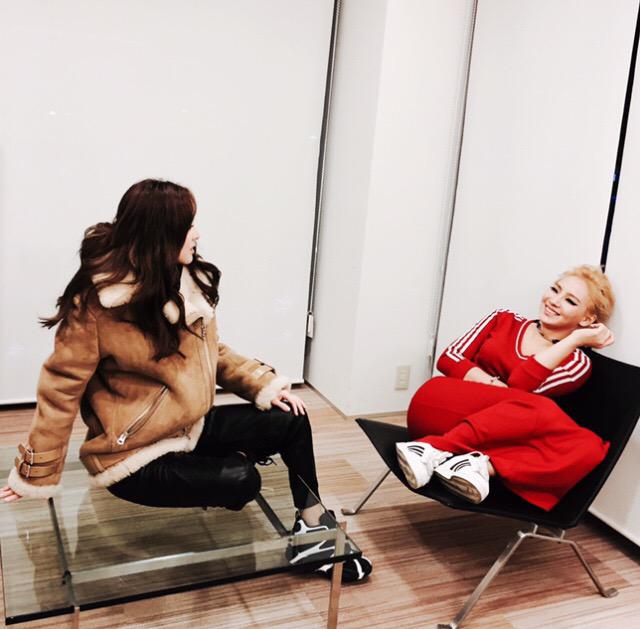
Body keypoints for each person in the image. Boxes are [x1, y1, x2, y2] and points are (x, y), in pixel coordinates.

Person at [1, 178, 371, 581]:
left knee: (291, 419)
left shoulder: (185, 285)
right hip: (133, 457)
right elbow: (60, 388)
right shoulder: (97, 306)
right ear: (161, 234)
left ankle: (312, 526)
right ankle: (230, 464)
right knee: (243, 481)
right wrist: (35, 472)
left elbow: (215, 353)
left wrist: (262, 384)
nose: (196, 233)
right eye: (188, 224)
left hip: (188, 428)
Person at [396, 265, 615, 511]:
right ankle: (440, 449)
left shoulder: (576, 363)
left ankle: (478, 466)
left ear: (587, 320)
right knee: (545, 409)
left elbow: (520, 391)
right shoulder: (504, 319)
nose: (554, 301)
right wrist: (493, 385)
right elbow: (450, 358)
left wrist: (573, 341)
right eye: (555, 290)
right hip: (440, 404)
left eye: (570, 301)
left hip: (488, 438)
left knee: (588, 448)